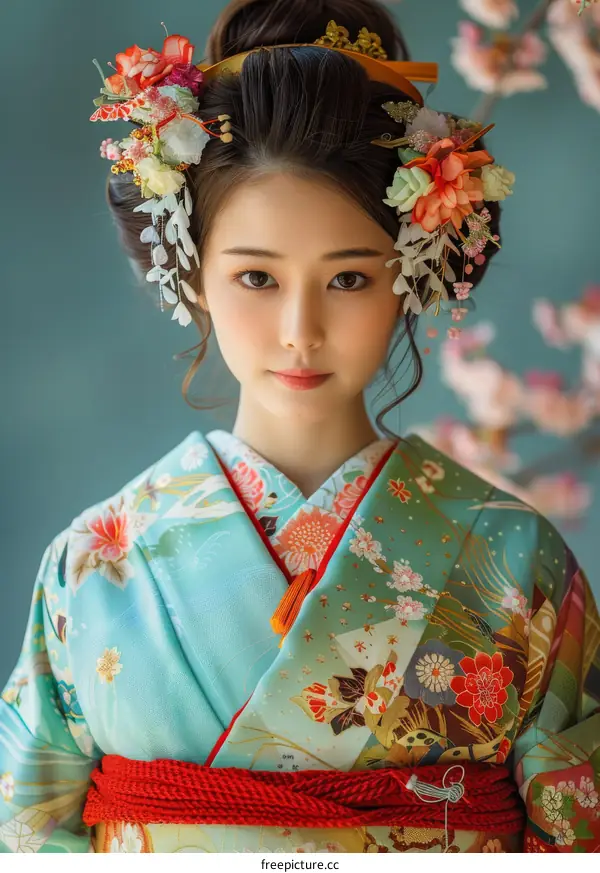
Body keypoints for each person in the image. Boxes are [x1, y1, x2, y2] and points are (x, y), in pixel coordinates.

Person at [1, 0, 599, 854]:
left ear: (412, 274)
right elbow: (25, 834)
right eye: (256, 277)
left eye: (349, 279)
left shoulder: (514, 557)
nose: (299, 330)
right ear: (191, 273)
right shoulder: (95, 564)